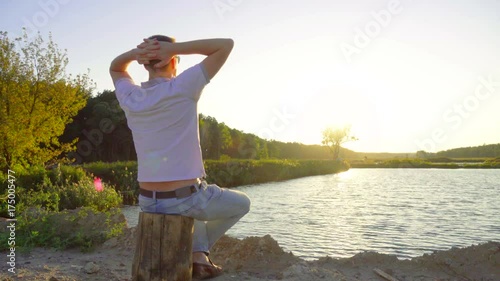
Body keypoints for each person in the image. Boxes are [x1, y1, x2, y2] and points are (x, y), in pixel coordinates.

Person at [109, 35, 251, 280]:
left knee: (198, 199)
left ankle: (198, 255)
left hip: (146, 200)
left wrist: (137, 52)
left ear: (144, 64)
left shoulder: (131, 97)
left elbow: (115, 67)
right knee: (241, 203)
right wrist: (174, 48)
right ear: (173, 61)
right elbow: (226, 44)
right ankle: (199, 253)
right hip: (185, 199)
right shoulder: (183, 86)